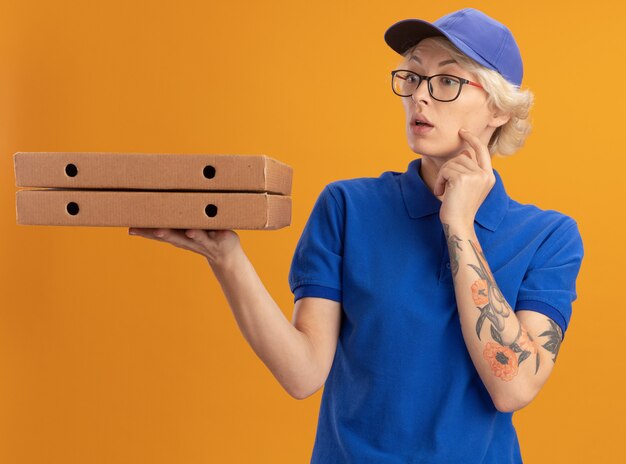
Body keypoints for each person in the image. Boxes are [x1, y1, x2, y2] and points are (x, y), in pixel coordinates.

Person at [128, 8, 584, 463]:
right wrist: (226, 258)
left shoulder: (549, 237)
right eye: (412, 75)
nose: (419, 97)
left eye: (447, 81)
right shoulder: (348, 207)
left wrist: (459, 224)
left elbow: (514, 387)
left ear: (499, 109)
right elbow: (303, 374)